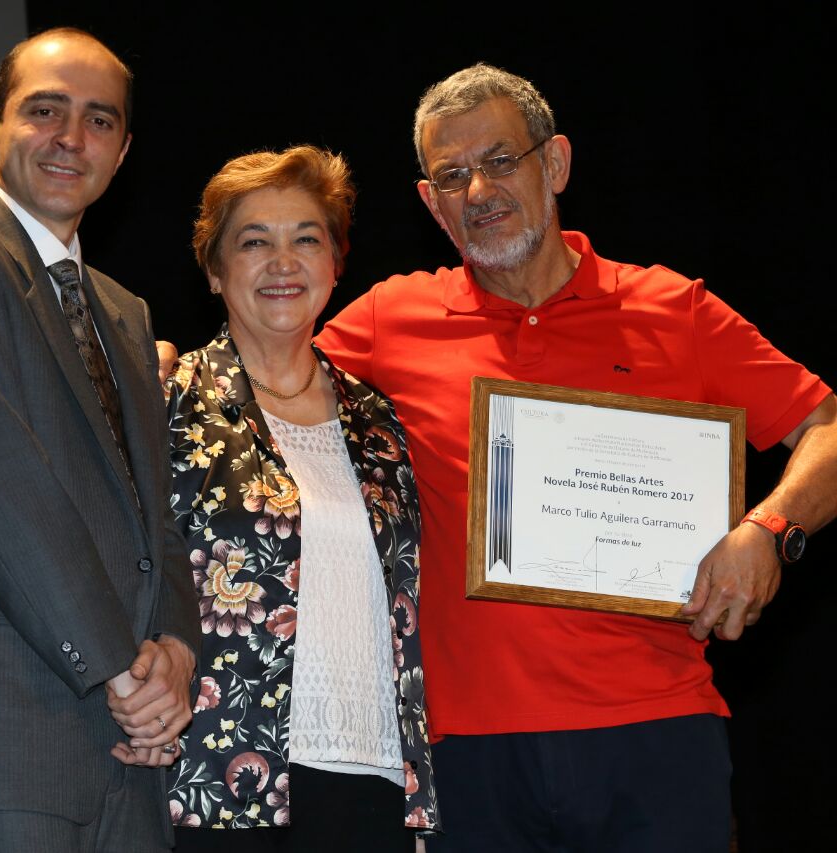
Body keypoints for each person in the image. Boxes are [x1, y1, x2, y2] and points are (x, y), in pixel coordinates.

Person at [312, 63, 837, 852]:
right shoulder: (392, 319)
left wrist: (768, 529)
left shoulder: (674, 308)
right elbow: (265, 385)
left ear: (554, 164)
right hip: (466, 748)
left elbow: (827, 427)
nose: (478, 190)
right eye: (451, 175)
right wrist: (170, 362)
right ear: (430, 203)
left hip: (657, 730)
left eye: (499, 160)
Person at [0, 27, 199, 853]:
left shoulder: (125, 312)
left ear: (124, 150)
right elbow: (2, 484)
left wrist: (174, 651)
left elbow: (153, 514)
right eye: (45, 110)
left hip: (134, 754)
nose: (71, 138)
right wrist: (122, 669)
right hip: (17, 741)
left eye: (100, 121)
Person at [164, 146, 439, 852]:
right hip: (225, 776)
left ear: (335, 263)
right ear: (216, 270)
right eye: (254, 242)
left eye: (305, 239)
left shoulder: (378, 420)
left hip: (374, 773)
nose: (283, 262)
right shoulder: (167, 396)